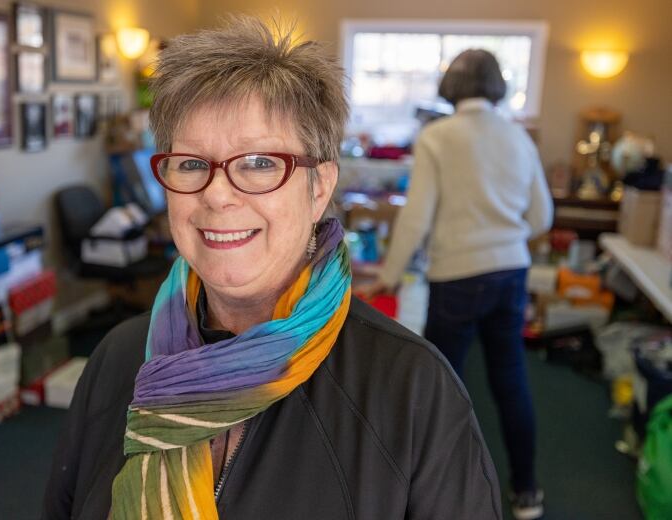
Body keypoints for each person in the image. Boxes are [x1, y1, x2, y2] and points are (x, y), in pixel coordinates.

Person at [44, 18, 501, 520]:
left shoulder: (414, 390)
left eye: (260, 162)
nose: (217, 194)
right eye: (192, 163)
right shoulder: (118, 360)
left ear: (320, 187)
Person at [360, 49, 553, 520]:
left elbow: (416, 218)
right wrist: (501, 240)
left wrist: (386, 275)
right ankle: (526, 493)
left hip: (457, 277)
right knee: (510, 379)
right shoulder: (518, 137)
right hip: (511, 272)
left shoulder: (437, 137)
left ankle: (444, 499)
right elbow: (541, 216)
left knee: (445, 385)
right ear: (497, 86)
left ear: (451, 86)